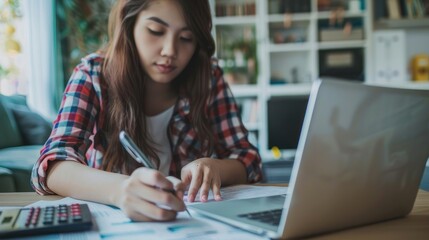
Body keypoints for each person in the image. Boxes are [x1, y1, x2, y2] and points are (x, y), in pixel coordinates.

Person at [31, 0, 262, 222]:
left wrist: (215, 167)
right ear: (129, 24)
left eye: (186, 38)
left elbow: (248, 159)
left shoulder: (207, 78)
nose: (170, 50)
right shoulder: (92, 75)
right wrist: (120, 190)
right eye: (155, 30)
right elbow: (52, 166)